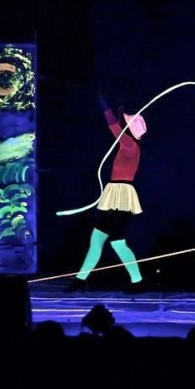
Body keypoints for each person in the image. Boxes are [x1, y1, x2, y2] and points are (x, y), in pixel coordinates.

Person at [66, 89, 147, 292]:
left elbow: (114, 128)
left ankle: (82, 281)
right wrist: (119, 107)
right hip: (118, 196)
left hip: (120, 197)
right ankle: (82, 280)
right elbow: (119, 126)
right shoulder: (129, 145)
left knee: (108, 242)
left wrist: (105, 107)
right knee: (111, 242)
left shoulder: (129, 145)